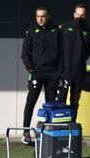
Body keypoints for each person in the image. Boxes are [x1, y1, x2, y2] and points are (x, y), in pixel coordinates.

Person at [21, 6, 61, 144]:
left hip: (52, 75)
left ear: (48, 16)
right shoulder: (31, 32)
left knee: (50, 105)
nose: (40, 19)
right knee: (30, 102)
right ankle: (26, 132)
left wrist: (59, 73)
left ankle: (49, 134)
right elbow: (25, 54)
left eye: (43, 16)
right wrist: (31, 71)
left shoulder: (57, 31)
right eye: (38, 16)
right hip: (36, 74)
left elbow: (62, 53)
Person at [58, 3, 90, 121]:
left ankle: (72, 125)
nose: (79, 18)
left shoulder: (88, 32)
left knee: (75, 101)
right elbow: (57, 48)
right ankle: (60, 126)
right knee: (61, 99)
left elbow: (88, 52)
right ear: (74, 14)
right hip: (64, 71)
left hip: (79, 72)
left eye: (82, 15)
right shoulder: (64, 28)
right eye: (77, 15)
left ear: (86, 16)